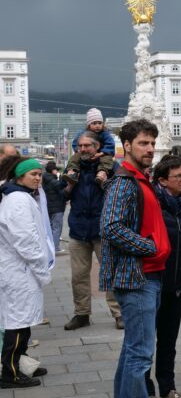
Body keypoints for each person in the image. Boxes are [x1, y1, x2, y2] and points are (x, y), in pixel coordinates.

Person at [99, 119, 177, 398]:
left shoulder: (138, 179)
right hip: (137, 277)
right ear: (127, 145)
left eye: (152, 143)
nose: (149, 149)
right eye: (143, 143)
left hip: (146, 274)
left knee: (132, 347)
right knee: (140, 353)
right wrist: (151, 246)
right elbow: (111, 227)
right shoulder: (124, 182)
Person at [145, 155, 181, 398]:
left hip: (177, 281)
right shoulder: (152, 202)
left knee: (168, 340)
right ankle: (147, 393)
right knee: (145, 341)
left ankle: (167, 389)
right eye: (178, 176)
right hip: (153, 279)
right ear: (163, 180)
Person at [0, 157, 53, 389]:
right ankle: (9, 372)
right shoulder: (18, 200)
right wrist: (41, 269)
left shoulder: (19, 196)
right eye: (33, 174)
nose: (38, 178)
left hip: (21, 270)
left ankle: (19, 363)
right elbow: (26, 240)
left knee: (23, 322)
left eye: (39, 174)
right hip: (19, 270)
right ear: (19, 176)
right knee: (17, 323)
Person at [63, 131, 122, 330]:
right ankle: (81, 314)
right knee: (78, 275)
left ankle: (119, 314)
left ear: (97, 147)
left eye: (87, 146)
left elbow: (122, 193)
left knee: (110, 273)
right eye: (80, 146)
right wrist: (69, 187)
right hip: (78, 229)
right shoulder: (73, 167)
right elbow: (61, 195)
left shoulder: (111, 166)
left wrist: (106, 185)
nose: (83, 149)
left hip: (103, 229)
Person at [65, 108, 116, 188]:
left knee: (107, 159)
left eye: (99, 123)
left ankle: (102, 173)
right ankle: (73, 172)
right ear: (89, 125)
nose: (97, 126)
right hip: (83, 155)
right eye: (94, 123)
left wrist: (101, 153)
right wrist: (78, 150)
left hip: (102, 153)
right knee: (74, 158)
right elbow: (75, 142)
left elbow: (110, 144)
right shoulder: (82, 133)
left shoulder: (105, 134)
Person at [42, 161, 67, 254]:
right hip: (56, 207)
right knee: (57, 228)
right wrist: (64, 178)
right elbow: (59, 186)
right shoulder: (51, 179)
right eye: (56, 169)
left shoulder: (45, 178)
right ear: (53, 170)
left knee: (50, 227)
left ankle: (50, 247)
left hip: (49, 207)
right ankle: (55, 248)